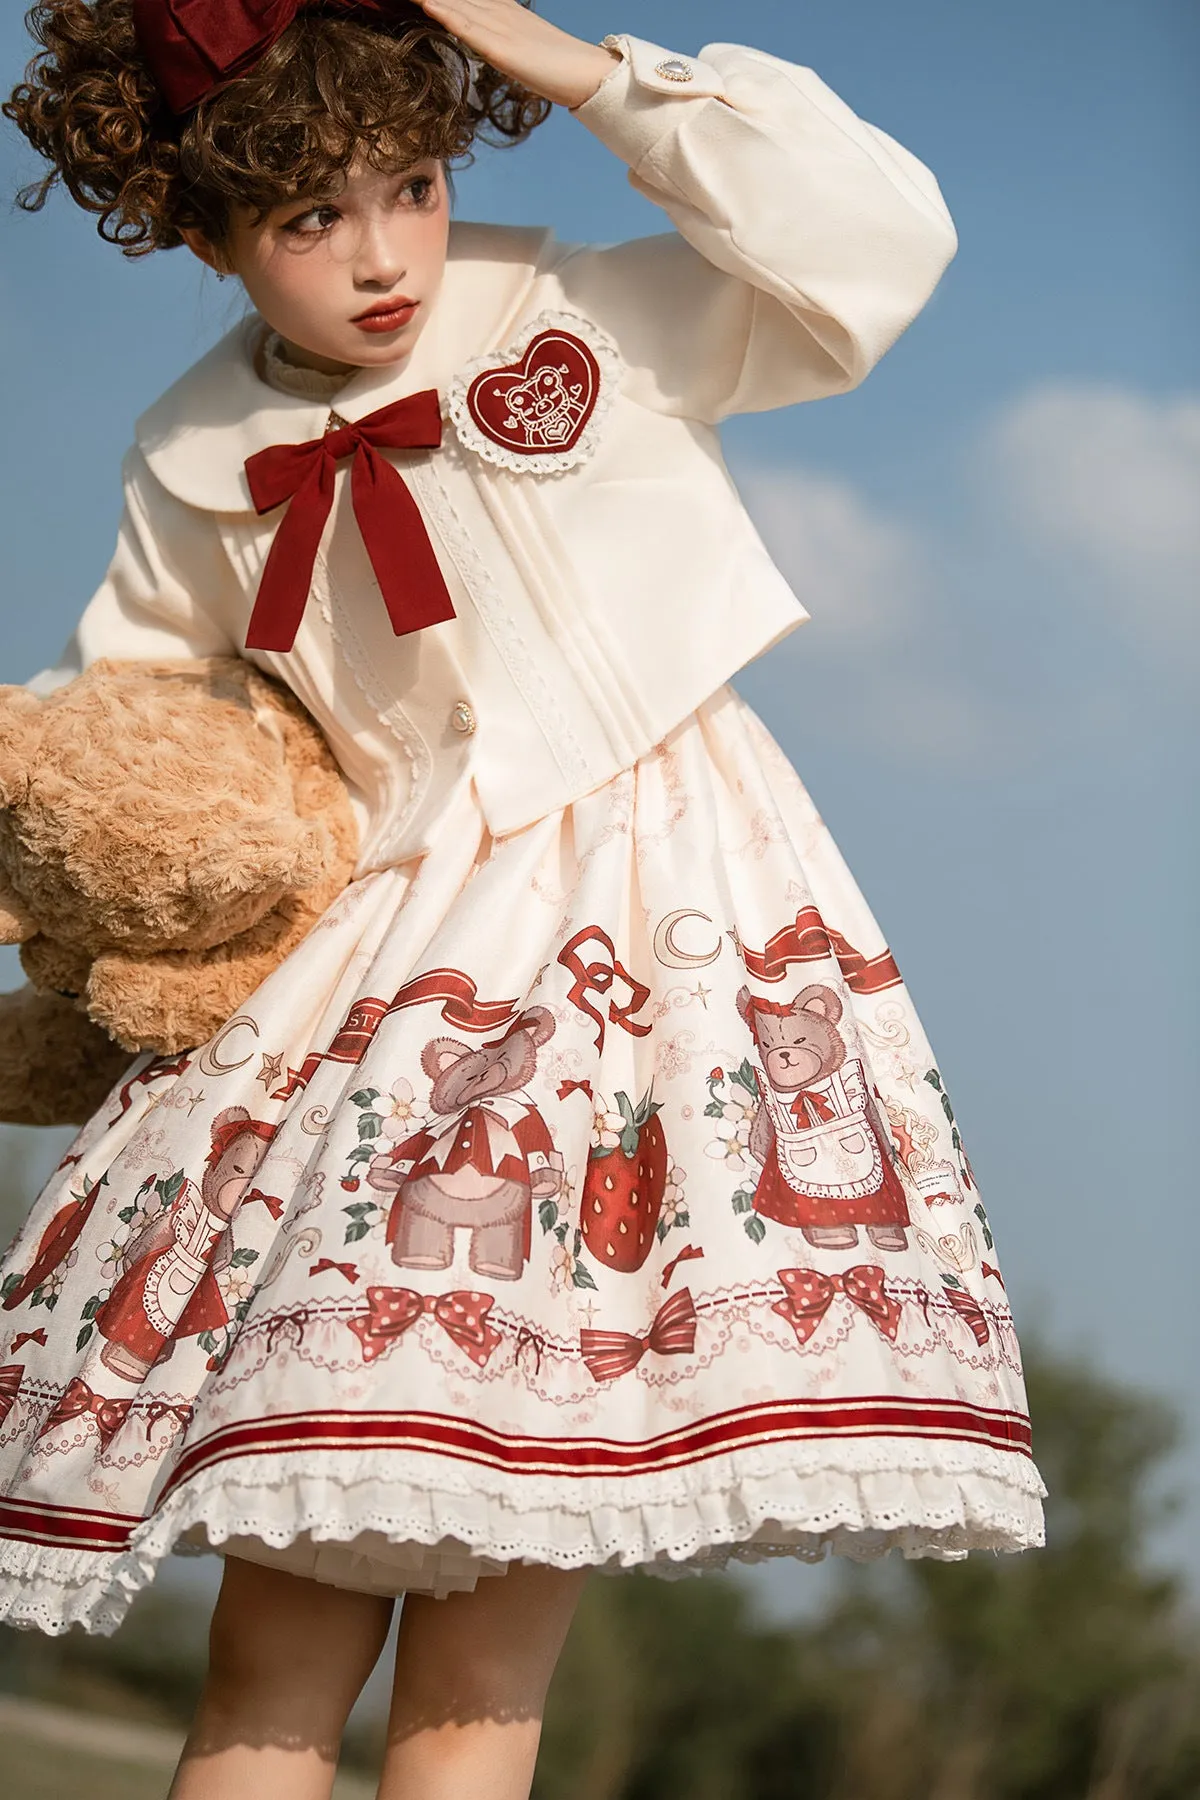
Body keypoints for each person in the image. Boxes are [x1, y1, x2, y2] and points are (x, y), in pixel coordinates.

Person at [0, 4, 1045, 1797]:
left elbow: (877, 244)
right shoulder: (191, 457)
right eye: (307, 220)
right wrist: (83, 960)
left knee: (492, 1642)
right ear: (199, 232)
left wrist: (572, 65)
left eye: (406, 187)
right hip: (378, 975)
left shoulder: (583, 312)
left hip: (661, 946)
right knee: (274, 1641)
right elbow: (146, 748)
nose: (384, 254)